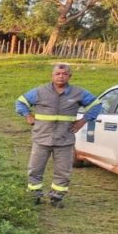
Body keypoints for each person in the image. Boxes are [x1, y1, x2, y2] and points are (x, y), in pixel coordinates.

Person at [15, 63, 100, 206]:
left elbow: (96, 105)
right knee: (35, 169)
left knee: (63, 171)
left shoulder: (78, 93)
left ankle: (57, 197)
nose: (61, 76)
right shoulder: (40, 91)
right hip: (41, 138)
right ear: (52, 76)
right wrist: (28, 116)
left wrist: (83, 121)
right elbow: (21, 102)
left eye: (64, 74)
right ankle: (34, 195)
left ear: (70, 76)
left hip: (64, 140)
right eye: (58, 74)